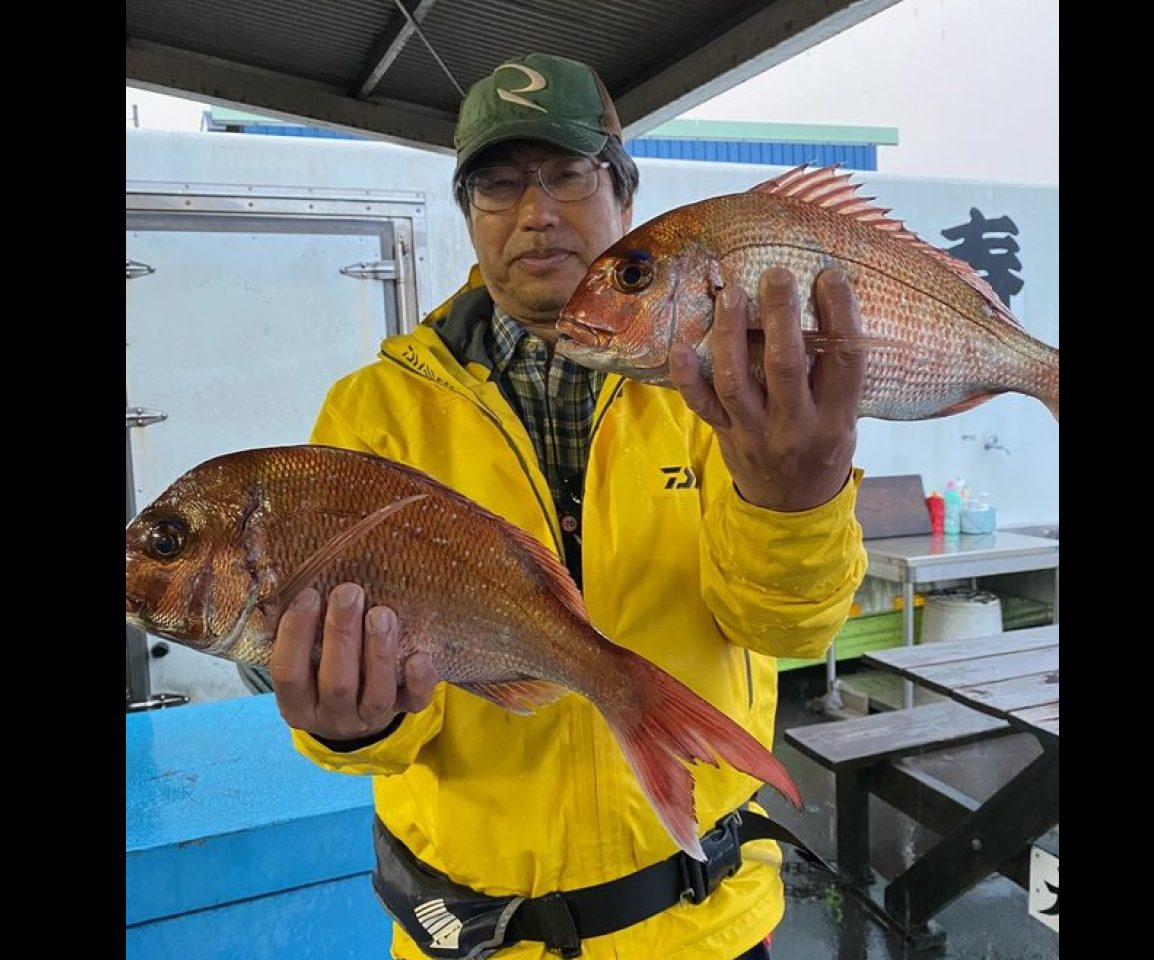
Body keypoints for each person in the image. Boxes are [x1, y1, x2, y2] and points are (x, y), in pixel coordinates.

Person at [271, 51, 868, 960]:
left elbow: (785, 630)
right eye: (499, 186)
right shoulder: (371, 414)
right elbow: (386, 730)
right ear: (469, 217)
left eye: (567, 175)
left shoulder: (726, 381)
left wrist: (797, 501)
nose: (535, 212)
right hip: (478, 941)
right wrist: (355, 723)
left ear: (626, 199)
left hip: (704, 927)